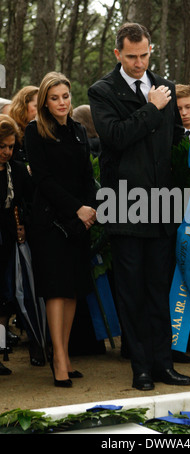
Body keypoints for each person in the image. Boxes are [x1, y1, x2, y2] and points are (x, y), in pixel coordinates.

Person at [88, 22, 190, 391]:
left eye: (144, 55)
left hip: (162, 204)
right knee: (130, 290)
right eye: (131, 57)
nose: (139, 63)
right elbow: (114, 138)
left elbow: (173, 140)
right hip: (124, 203)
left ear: (151, 49)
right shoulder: (102, 90)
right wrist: (150, 109)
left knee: (158, 288)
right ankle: (141, 368)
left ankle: (163, 364)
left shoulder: (163, 85)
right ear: (118, 54)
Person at [25, 72, 97, 387]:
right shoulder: (34, 131)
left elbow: (86, 174)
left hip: (79, 220)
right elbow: (43, 179)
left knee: (72, 290)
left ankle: (65, 354)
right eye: (54, 98)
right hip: (49, 221)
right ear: (45, 101)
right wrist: (75, 208)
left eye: (65, 96)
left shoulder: (80, 130)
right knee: (56, 290)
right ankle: (57, 358)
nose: (62, 103)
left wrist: (90, 209)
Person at [0, 114, 32, 375]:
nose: (7, 152)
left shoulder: (17, 171)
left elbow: (25, 201)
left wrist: (22, 224)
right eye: (2, 146)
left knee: (4, 297)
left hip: (7, 239)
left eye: (11, 146)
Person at [9, 86, 39, 162]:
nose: (41, 111)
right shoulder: (10, 131)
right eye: (36, 106)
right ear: (23, 106)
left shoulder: (42, 132)